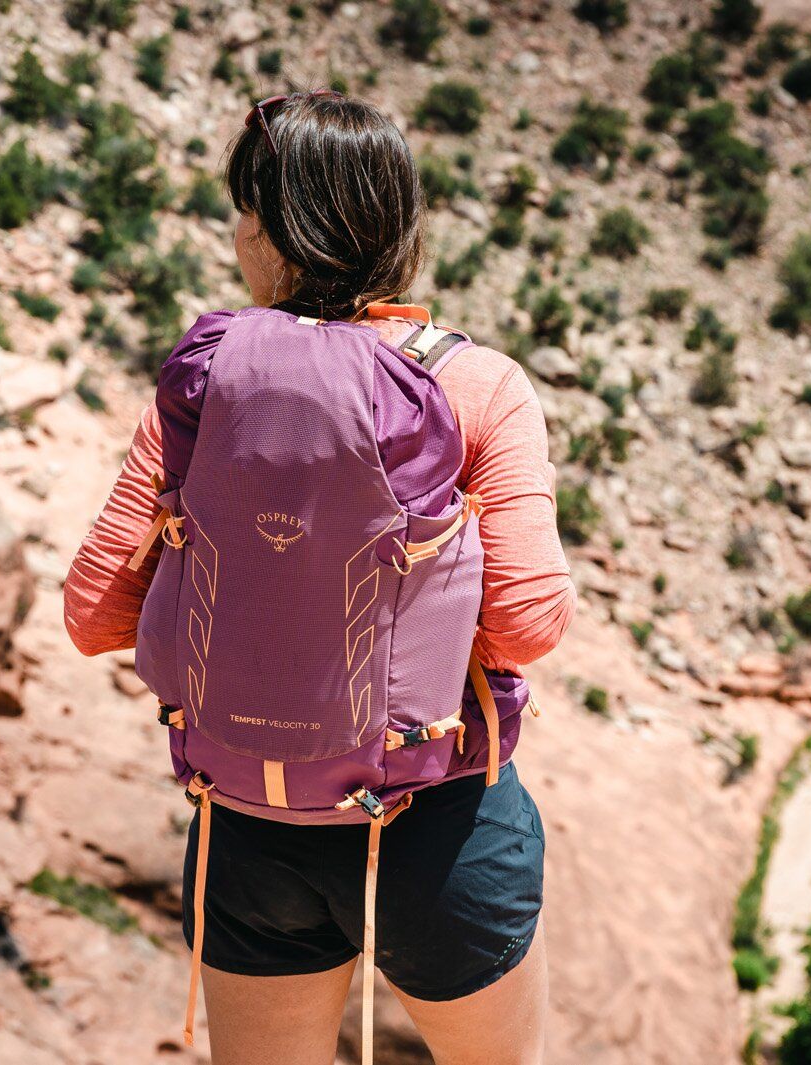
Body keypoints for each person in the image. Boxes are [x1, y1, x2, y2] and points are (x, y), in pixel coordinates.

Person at [63, 91, 575, 1065]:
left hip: (247, 831)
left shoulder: (206, 384)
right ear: (402, 225)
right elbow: (526, 626)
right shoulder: (475, 386)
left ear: (262, 226)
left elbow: (93, 615)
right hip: (439, 827)